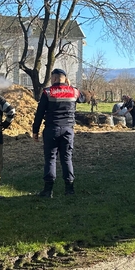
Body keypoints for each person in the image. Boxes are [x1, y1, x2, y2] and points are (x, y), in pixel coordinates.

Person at [32, 68, 87, 197]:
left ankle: (48, 190)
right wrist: (70, 85)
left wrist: (35, 130)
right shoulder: (73, 91)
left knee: (50, 159)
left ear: (55, 78)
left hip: (51, 129)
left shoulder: (47, 92)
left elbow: (39, 113)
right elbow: (83, 98)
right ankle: (69, 189)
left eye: (52, 78)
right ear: (65, 78)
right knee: (67, 158)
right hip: (68, 129)